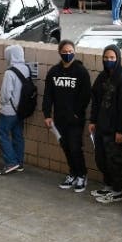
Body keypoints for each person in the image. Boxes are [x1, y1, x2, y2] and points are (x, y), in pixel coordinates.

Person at [43, 40, 92, 192]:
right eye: (65, 51)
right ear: (59, 52)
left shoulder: (81, 72)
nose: (68, 54)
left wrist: (77, 113)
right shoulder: (54, 72)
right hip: (59, 119)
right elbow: (48, 95)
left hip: (75, 120)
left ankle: (82, 175)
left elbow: (86, 95)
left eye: (70, 51)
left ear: (74, 52)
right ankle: (73, 173)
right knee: (66, 147)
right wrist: (47, 114)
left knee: (75, 147)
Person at [89, 45, 122, 204]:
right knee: (101, 158)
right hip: (100, 127)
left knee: (114, 160)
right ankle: (107, 186)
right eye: (106, 58)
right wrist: (93, 120)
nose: (108, 61)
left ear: (118, 59)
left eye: (112, 58)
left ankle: (117, 190)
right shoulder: (102, 77)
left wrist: (121, 130)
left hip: (114, 130)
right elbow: (95, 100)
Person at [0, 44, 30, 175]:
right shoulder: (26, 69)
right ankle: (19, 162)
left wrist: (1, 103)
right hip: (21, 110)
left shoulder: (9, 72)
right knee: (18, 135)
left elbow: (5, 94)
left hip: (9, 110)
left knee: (2, 133)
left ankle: (11, 162)